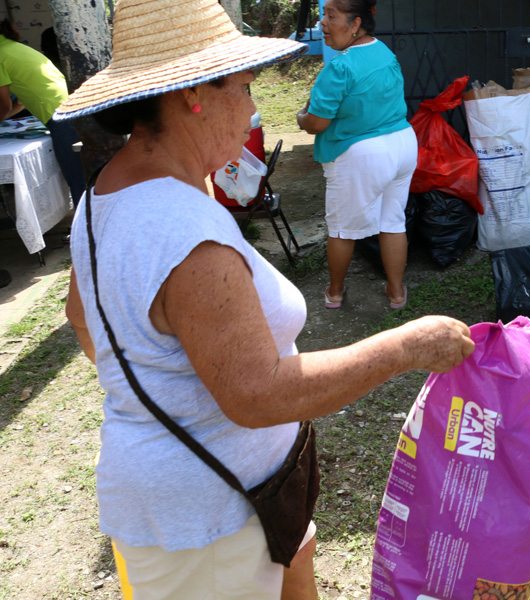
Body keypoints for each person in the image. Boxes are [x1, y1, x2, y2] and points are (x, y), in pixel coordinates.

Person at [58, 0, 474, 598]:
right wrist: (406, 347)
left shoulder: (108, 192)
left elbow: (81, 317)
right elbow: (258, 394)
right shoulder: (184, 231)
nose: (254, 109)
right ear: (193, 94)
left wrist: (156, 386)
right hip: (208, 520)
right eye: (246, 87)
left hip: (221, 498)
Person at [297, 0, 415, 310]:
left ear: (355, 24)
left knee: (341, 229)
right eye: (324, 15)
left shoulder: (340, 67)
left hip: (362, 154)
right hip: (402, 144)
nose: (323, 23)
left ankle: (335, 293)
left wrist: (301, 118)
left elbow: (317, 122)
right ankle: (396, 293)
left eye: (331, 16)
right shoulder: (383, 52)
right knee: (393, 222)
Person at [0, 19, 85, 204]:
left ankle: (87, 220)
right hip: (69, 109)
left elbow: (4, 105)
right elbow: (20, 102)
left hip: (60, 116)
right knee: (79, 176)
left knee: (77, 179)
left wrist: (3, 116)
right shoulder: (14, 48)